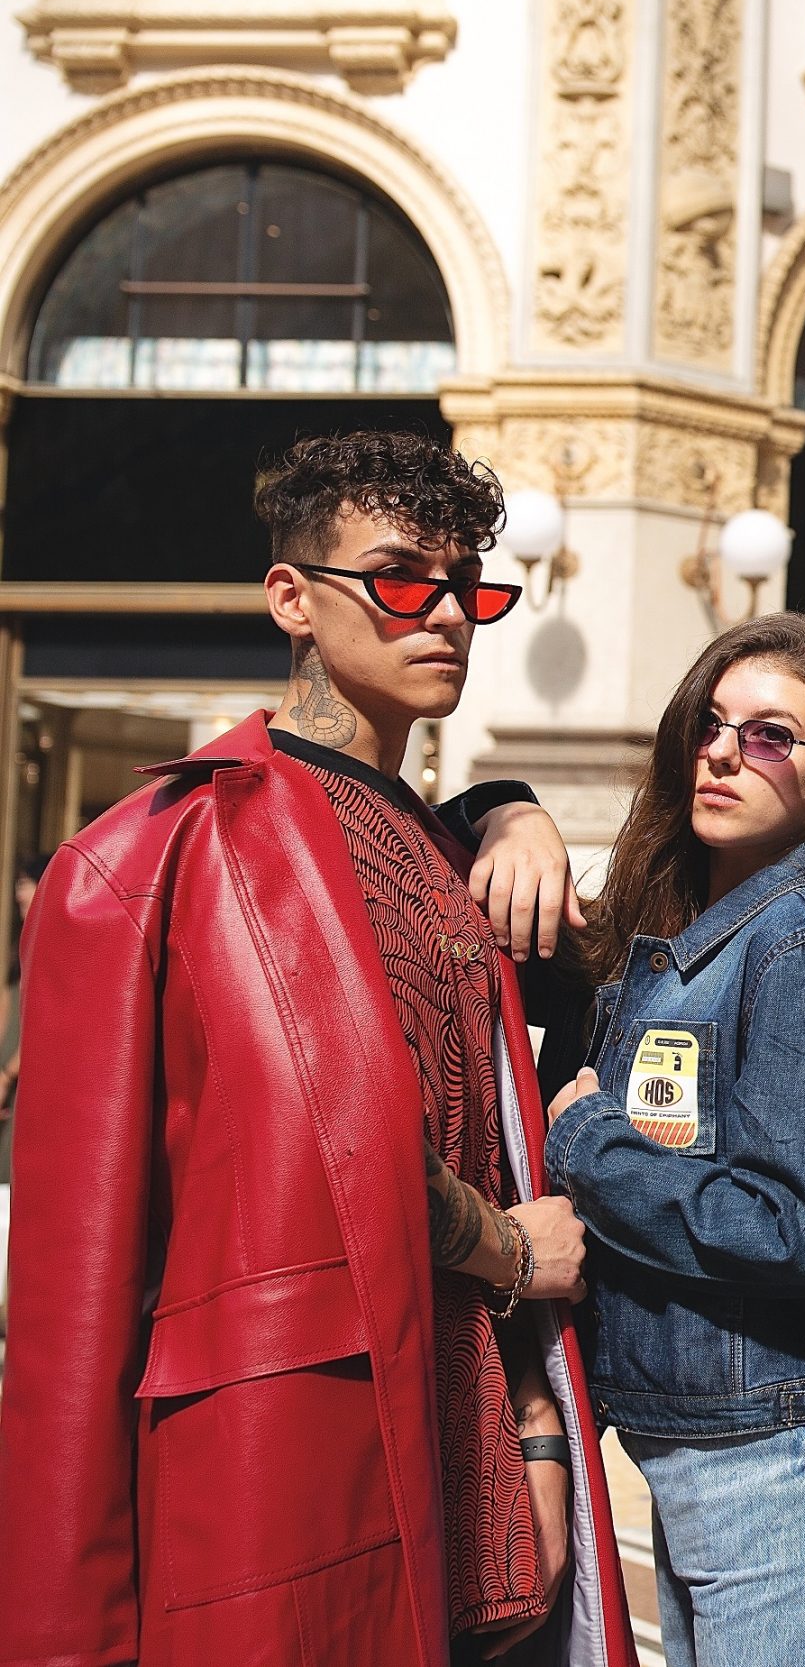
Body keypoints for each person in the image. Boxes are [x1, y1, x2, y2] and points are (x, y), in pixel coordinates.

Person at [0, 431, 635, 1667]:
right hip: (276, 1471)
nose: (442, 613)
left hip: (477, 1456)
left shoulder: (459, 861)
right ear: (291, 597)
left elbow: (513, 1131)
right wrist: (61, 1638)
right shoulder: (145, 865)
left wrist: (539, 1429)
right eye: (398, 577)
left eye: (465, 587)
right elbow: (74, 1302)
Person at [545, 614, 805, 1667]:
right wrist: (506, 812)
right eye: (710, 725)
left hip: (791, 1461)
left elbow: (794, 1230)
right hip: (725, 1453)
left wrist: (590, 1145)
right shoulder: (697, 935)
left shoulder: (803, 939)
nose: (722, 753)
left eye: (768, 737)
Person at [0, 852, 48, 1333]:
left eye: (26, 881)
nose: (19, 891)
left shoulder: (52, 935)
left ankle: (16, 1311)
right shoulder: (23, 942)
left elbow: (39, 1021)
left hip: (27, 1088)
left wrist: (6, 1074)